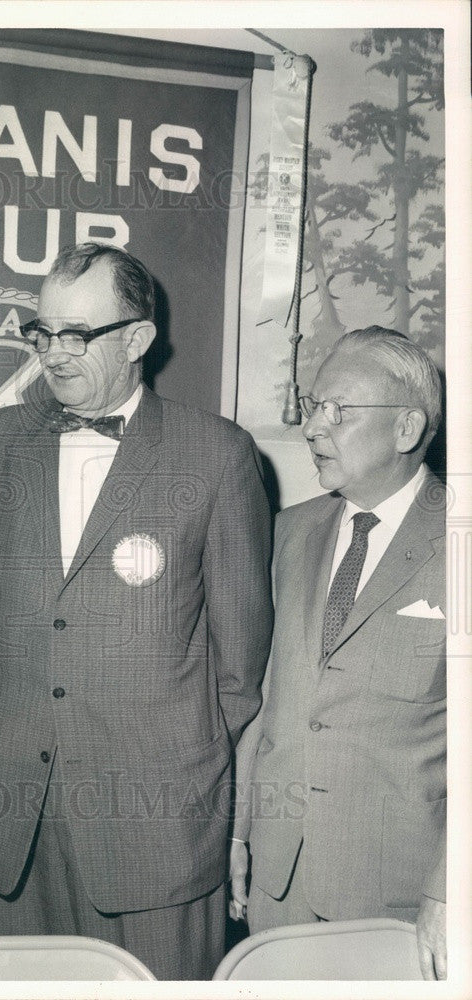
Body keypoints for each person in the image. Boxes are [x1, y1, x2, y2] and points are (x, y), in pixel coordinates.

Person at [0, 242, 273, 980]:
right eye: (43, 332)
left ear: (137, 338)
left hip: (155, 822)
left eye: (77, 334)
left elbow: (242, 661)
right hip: (19, 819)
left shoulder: (218, 456)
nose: (53, 353)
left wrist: (169, 761)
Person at [229, 327, 446, 980]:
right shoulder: (288, 533)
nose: (314, 429)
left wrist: (448, 891)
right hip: (279, 882)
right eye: (313, 406)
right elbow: (262, 700)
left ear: (406, 427)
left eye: (339, 410)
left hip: (401, 898)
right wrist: (239, 832)